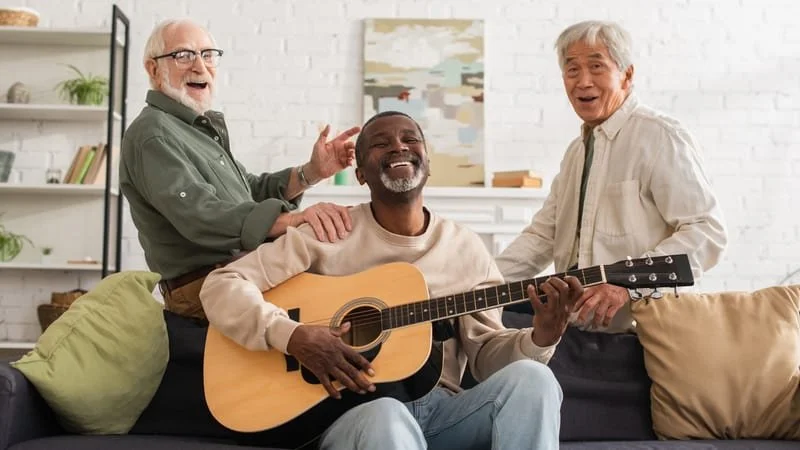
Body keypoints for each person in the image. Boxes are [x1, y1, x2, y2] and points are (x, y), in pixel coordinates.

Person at [198, 111, 585, 450]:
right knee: (386, 414)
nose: (398, 147)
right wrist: (292, 335)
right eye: (380, 144)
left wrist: (541, 338)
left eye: (410, 139)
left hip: (442, 412)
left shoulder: (466, 248)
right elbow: (221, 285)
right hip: (352, 414)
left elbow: (485, 356)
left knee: (534, 379)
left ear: (427, 163)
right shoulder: (328, 232)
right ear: (361, 173)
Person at [119, 18, 358, 321]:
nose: (200, 66)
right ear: (153, 70)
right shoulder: (153, 133)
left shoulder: (194, 130)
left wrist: (312, 171)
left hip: (240, 275)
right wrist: (295, 220)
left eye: (208, 55)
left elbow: (250, 192)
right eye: (183, 55)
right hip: (205, 291)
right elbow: (200, 214)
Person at [496, 20, 727, 333]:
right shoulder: (576, 152)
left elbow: (706, 231)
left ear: (627, 75)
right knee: (484, 332)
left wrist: (625, 285)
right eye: (572, 69)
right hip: (579, 325)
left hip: (643, 329)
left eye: (596, 66)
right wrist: (476, 285)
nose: (583, 81)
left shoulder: (659, 136)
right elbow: (542, 237)